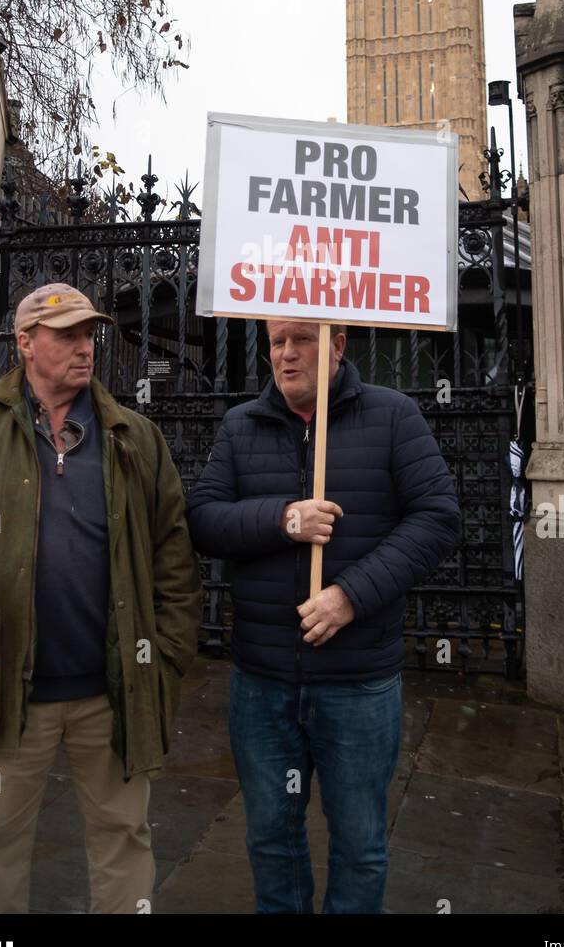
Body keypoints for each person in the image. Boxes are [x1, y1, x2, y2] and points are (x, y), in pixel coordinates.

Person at [0, 282, 202, 914]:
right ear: (25, 343)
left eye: (88, 333)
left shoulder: (135, 437)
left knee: (125, 839)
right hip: (11, 682)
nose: (83, 347)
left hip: (115, 688)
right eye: (66, 334)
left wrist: (167, 662)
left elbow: (174, 558)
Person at [186, 318, 462, 914]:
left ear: (337, 344)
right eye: (276, 341)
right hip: (262, 681)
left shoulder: (393, 416)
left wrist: (350, 596)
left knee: (360, 846)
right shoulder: (241, 425)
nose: (285, 354)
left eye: (301, 339)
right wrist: (282, 519)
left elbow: (438, 518)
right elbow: (203, 520)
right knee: (270, 841)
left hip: (358, 681)